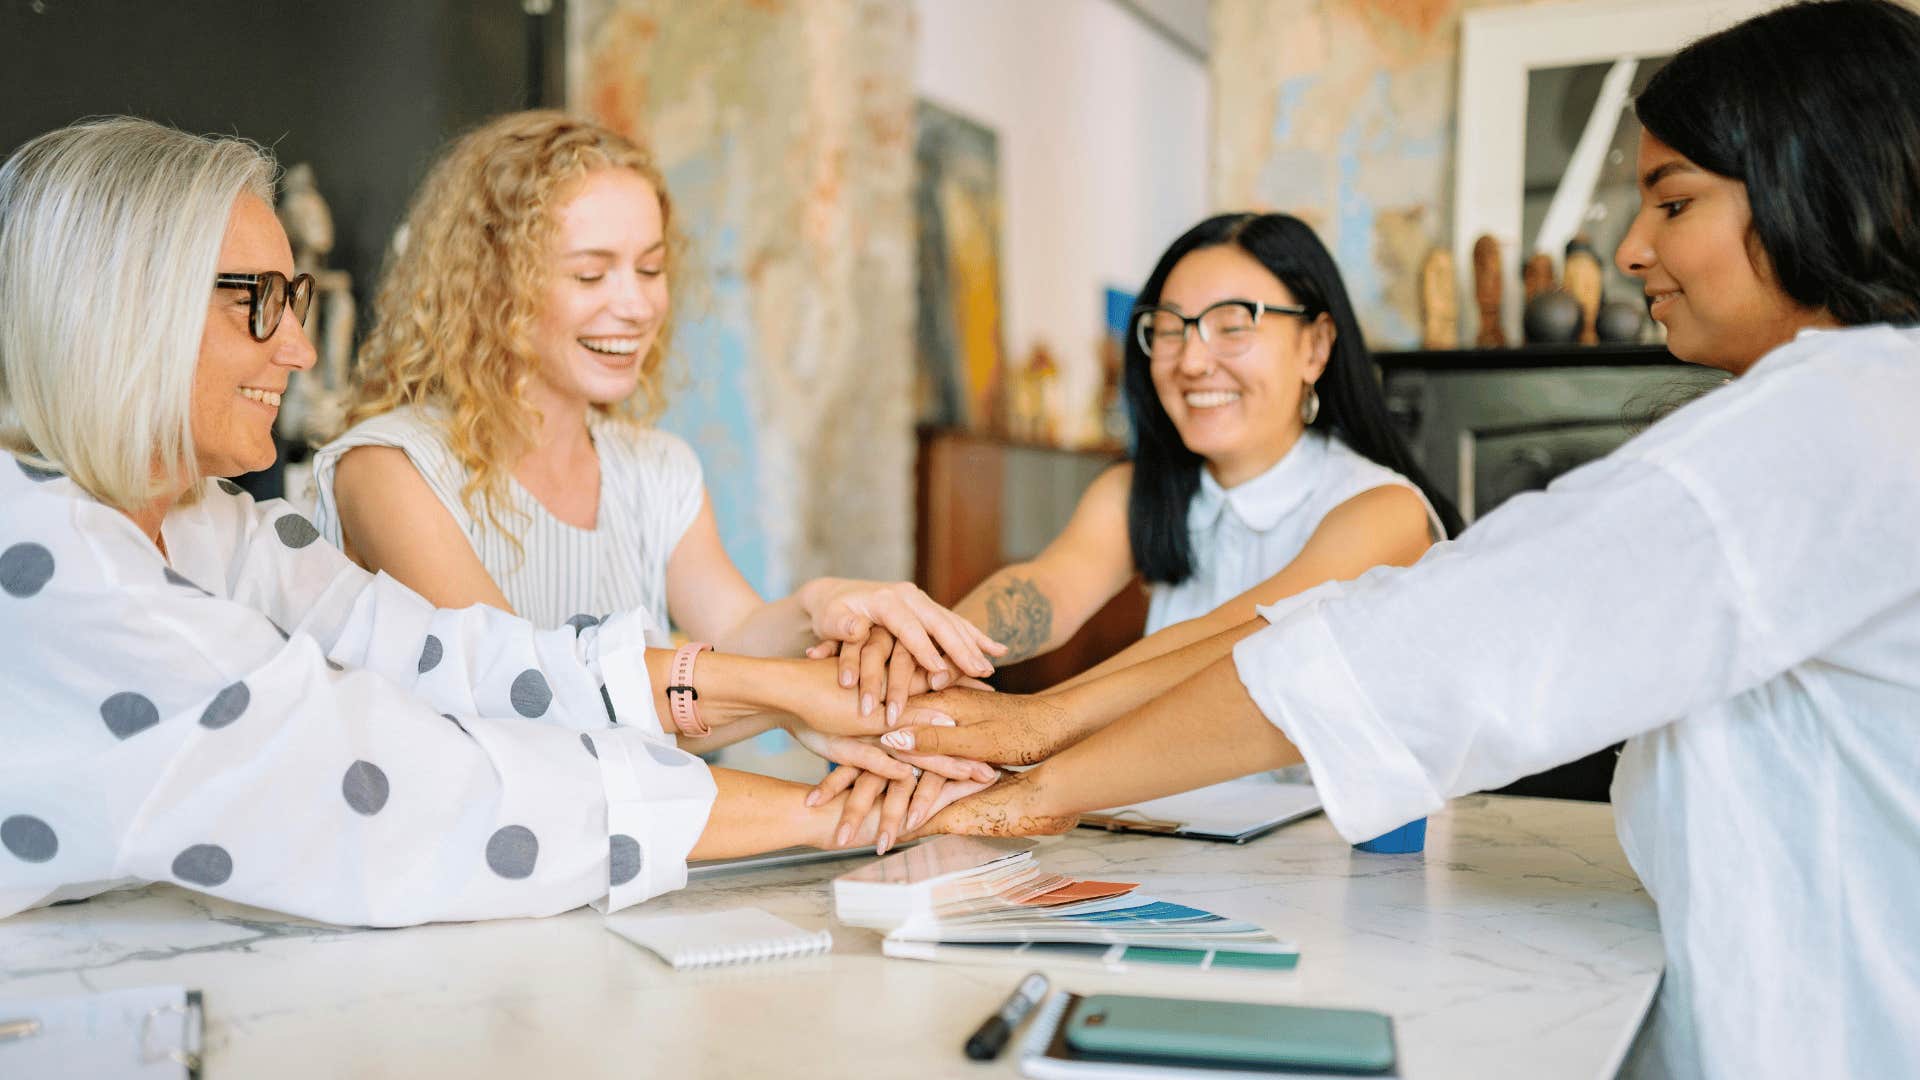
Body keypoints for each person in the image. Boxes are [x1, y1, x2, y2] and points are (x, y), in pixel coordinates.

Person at [892, 2, 1920, 1075]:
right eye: (1168, 331)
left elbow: (1375, 651)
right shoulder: (1862, 411)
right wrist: (917, 667)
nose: (1628, 247)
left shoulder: (1818, 429)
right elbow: (1037, 599)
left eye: (1673, 200)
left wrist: (1035, 756)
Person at [0, 117, 982, 927]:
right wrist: (825, 806)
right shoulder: (49, 554)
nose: (298, 348)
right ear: (119, 311)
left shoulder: (221, 529)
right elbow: (411, 779)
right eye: (256, 302)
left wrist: (800, 674)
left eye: (293, 298)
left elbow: (466, 658)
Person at [311, 111, 1002, 742]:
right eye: (590, 275)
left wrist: (825, 608)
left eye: (650, 268)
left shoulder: (658, 469)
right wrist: (798, 699)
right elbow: (530, 701)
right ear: (492, 287)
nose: (637, 305)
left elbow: (734, 635)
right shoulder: (388, 469)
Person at [950, 213, 1456, 688]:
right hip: (1172, 786)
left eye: (1233, 326)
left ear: (1315, 347)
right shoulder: (1137, 489)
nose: (1191, 361)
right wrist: (925, 648)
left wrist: (1019, 726)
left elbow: (1222, 644)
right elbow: (1048, 589)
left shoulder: (1384, 510)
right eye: (1170, 329)